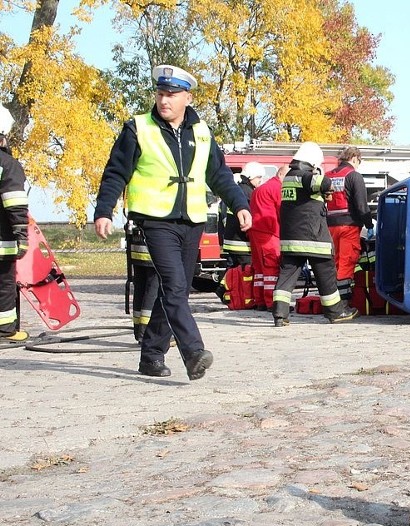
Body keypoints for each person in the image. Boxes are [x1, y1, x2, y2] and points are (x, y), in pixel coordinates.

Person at [94, 64, 252, 380]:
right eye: (160, 93)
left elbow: (219, 175)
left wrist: (239, 204)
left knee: (173, 290)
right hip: (155, 220)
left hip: (192, 219)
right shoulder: (137, 129)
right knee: (175, 285)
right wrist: (104, 209)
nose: (164, 100)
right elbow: (115, 172)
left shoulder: (202, 133)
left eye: (172, 94)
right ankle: (193, 352)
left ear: (187, 98)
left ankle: (151, 356)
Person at [271, 141, 358, 326]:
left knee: (287, 275)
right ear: (312, 163)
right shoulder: (304, 176)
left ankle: (280, 314)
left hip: (290, 238)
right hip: (313, 238)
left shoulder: (288, 177)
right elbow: (324, 182)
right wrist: (325, 185)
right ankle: (335, 312)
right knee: (326, 274)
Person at [326, 146, 373, 302]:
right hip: (349, 226)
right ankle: (343, 302)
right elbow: (361, 206)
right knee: (346, 263)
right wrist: (370, 225)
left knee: (334, 263)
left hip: (330, 226)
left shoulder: (327, 176)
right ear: (354, 158)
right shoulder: (354, 176)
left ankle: (331, 301)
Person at [0, 105, 30, 343]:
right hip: (2, 241)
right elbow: (15, 203)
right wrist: (22, 234)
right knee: (4, 283)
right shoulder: (7, 165)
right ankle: (5, 330)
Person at [248, 166, 285, 310]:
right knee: (271, 267)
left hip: (255, 231)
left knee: (259, 268)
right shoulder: (276, 188)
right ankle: (272, 303)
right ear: (281, 174)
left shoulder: (259, 189)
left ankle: (260, 300)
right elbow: (282, 210)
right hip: (269, 232)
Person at [222, 161, 264, 267]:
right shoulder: (249, 193)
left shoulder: (235, 191)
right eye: (259, 177)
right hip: (242, 244)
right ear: (251, 176)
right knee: (246, 275)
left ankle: (225, 284)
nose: (260, 180)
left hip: (230, 241)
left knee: (232, 274)